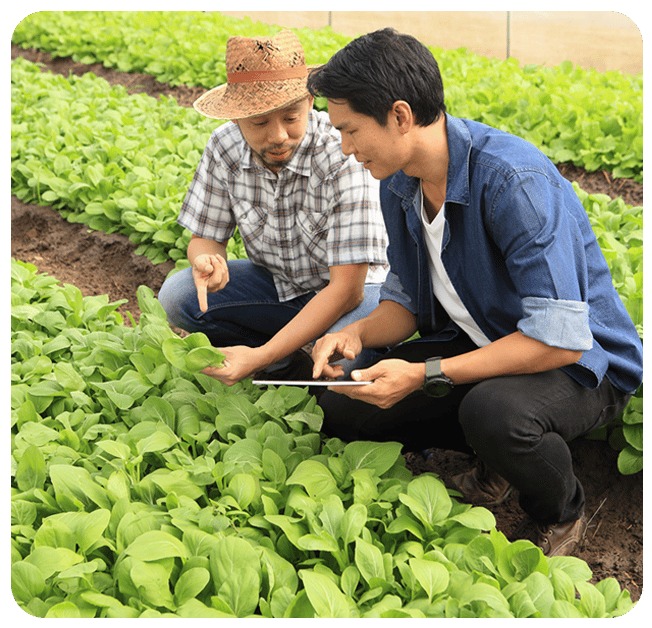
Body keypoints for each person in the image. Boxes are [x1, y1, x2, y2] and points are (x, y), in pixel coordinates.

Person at [306, 28, 643, 557]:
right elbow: (407, 303)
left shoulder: (514, 182)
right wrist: (355, 332)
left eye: (349, 131)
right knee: (345, 398)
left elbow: (561, 342)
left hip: (583, 365)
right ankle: (492, 458)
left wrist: (423, 375)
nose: (345, 149)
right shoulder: (398, 184)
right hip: (483, 341)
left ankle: (563, 510)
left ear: (398, 116)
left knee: (495, 414)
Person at [158, 29, 388, 385]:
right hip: (280, 286)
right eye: (260, 122)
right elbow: (205, 239)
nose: (278, 135)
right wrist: (205, 261)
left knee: (342, 368)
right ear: (235, 119)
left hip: (356, 294)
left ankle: (275, 355)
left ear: (310, 102)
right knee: (178, 296)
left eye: (291, 117)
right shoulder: (224, 148)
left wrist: (258, 356)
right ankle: (283, 362)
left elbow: (347, 290)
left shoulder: (342, 155)